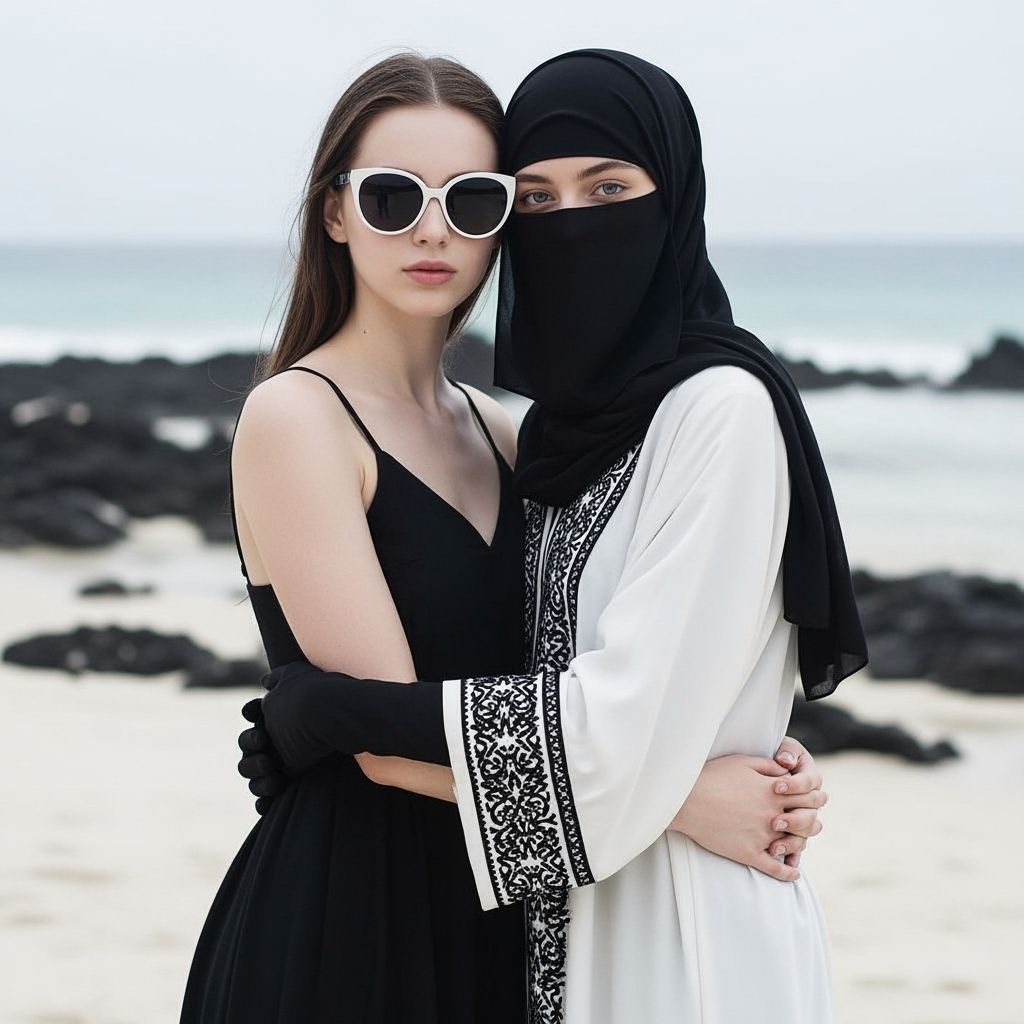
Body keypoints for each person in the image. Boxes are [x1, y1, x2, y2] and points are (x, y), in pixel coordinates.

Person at [182, 51, 828, 1024]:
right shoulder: (296, 418)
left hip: (519, 907)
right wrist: (685, 800)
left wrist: (754, 753)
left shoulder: (516, 433)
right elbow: (383, 740)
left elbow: (614, 657)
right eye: (393, 196)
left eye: (475, 200)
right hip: (357, 911)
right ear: (335, 212)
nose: (433, 228)